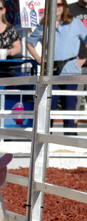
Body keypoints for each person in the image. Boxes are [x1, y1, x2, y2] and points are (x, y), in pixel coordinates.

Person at [26, 0, 87, 135]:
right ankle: (47, 136)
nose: (57, 7)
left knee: (70, 105)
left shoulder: (75, 23)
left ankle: (69, 137)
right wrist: (38, 58)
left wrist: (83, 59)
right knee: (49, 105)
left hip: (71, 69)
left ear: (64, 6)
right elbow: (30, 43)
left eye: (59, 4)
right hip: (51, 70)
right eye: (54, 4)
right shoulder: (43, 25)